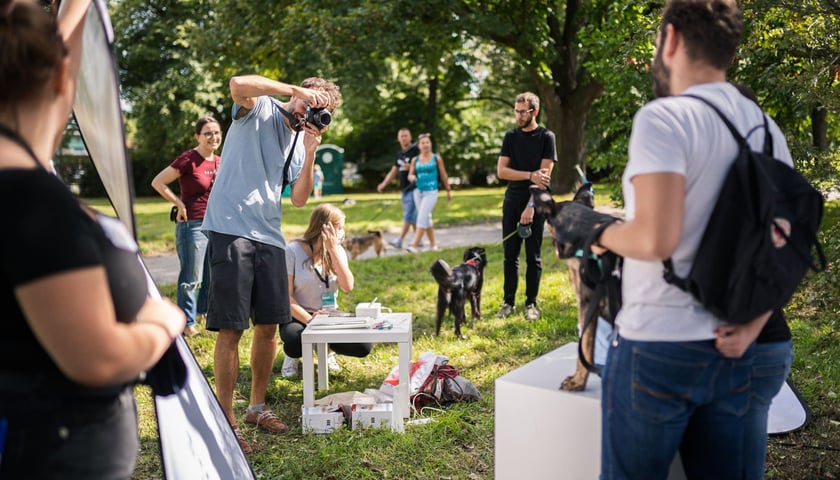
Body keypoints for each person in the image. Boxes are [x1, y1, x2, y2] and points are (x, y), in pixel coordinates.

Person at [578, 1, 793, 477]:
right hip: (730, 346)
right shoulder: (766, 129)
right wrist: (756, 324)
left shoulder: (665, 118)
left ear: (670, 39)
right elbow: (784, 245)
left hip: (658, 345)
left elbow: (656, 239)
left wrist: (600, 231)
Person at [0, 0, 185, 477]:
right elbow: (98, 359)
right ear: (63, 80)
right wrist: (162, 322)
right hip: (49, 453)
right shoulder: (31, 201)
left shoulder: (18, 175)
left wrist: (71, 15)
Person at [201, 74, 341, 454]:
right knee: (231, 329)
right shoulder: (258, 107)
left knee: (268, 328)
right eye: (310, 103)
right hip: (231, 229)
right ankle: (226, 418)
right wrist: (293, 92)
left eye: (321, 111)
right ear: (300, 94)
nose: (310, 112)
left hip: (269, 236)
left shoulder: (299, 141)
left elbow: (298, 199)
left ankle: (256, 408)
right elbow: (236, 83)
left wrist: (310, 149)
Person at [279, 204, 372, 377]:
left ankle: (327, 350)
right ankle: (291, 355)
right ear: (325, 228)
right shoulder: (292, 251)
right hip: (299, 315)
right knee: (295, 339)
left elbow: (347, 286)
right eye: (340, 228)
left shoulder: (338, 251)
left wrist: (333, 250)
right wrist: (311, 321)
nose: (342, 233)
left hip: (330, 315)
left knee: (363, 346)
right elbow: (286, 297)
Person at [151, 116, 222, 337]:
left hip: (216, 224)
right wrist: (179, 203)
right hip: (192, 224)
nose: (213, 137)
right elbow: (158, 182)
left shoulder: (220, 160)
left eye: (216, 132)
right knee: (192, 277)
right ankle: (186, 323)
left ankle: (204, 314)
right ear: (197, 137)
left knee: (211, 275)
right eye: (208, 133)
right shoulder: (188, 159)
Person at [495, 92, 556, 322]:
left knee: (534, 256)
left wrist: (531, 206)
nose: (519, 115)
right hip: (512, 200)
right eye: (517, 111)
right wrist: (529, 174)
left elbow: (544, 178)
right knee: (510, 255)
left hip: (536, 203)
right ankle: (508, 302)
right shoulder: (510, 137)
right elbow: (502, 171)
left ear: (534, 112)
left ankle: (531, 303)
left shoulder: (546, 137)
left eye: (523, 111)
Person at [405, 133, 451, 252]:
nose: (425, 145)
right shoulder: (415, 160)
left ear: (430, 144)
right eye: (423, 143)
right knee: (426, 218)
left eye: (427, 142)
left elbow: (443, 174)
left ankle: (414, 246)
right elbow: (410, 174)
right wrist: (411, 177)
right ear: (419, 145)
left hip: (431, 191)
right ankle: (433, 245)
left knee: (421, 217)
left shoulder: (436, 158)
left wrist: (448, 190)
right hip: (418, 191)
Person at [376, 128, 420, 248]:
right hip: (404, 189)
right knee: (412, 216)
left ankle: (400, 240)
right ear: (398, 138)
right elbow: (394, 170)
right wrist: (384, 183)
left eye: (406, 136)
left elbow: (424, 164)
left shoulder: (416, 150)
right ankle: (419, 239)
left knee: (408, 214)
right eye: (402, 136)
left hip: (414, 187)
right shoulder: (399, 154)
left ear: (410, 137)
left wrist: (411, 166)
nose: (404, 138)